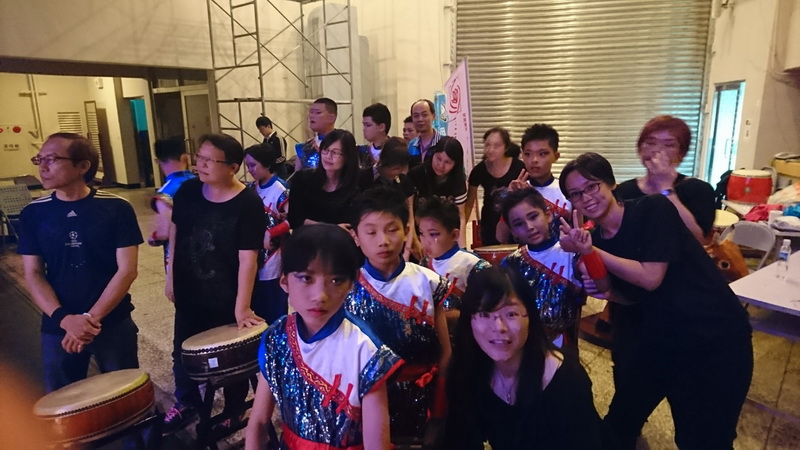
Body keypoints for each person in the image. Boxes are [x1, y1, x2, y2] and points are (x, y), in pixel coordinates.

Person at [559, 152, 753, 449]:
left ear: (611, 183)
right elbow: (629, 296)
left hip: (714, 338)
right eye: (575, 194)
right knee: (618, 426)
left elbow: (651, 277)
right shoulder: (595, 240)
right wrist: (603, 288)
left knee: (703, 439)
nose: (585, 197)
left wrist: (590, 253)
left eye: (591, 186)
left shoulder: (651, 209)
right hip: (660, 340)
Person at [244, 224, 402, 450]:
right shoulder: (276, 338)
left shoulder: (365, 350)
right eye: (306, 278)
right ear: (285, 281)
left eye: (336, 280)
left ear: (352, 283)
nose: (320, 295)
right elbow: (259, 422)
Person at [609, 116, 717, 430]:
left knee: (686, 390)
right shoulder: (624, 191)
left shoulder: (696, 190)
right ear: (640, 148)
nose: (658, 150)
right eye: (651, 142)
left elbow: (699, 237)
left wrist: (666, 189)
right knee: (628, 373)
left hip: (682, 303)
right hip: (632, 303)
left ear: (681, 154)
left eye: (669, 144)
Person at [18, 132, 143, 393]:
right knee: (64, 399)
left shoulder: (116, 208)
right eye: (40, 159)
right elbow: (33, 273)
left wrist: (89, 319)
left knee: (126, 395)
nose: (42, 167)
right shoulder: (33, 213)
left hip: (111, 320)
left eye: (52, 159)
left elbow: (127, 270)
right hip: (58, 324)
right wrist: (65, 320)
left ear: (83, 166)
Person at [163, 133, 267, 433]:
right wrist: (170, 276)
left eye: (210, 160)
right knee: (182, 353)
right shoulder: (188, 191)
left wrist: (242, 306)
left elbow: (248, 258)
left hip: (227, 294)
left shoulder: (248, 203)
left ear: (232, 167)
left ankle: (234, 412)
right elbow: (175, 233)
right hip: (189, 290)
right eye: (200, 157)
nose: (201, 164)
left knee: (230, 360)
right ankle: (186, 403)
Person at [443, 266, 602, 450]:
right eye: (484, 314)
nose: (499, 327)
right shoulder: (466, 371)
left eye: (511, 314)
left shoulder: (567, 379)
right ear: (469, 321)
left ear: (530, 318)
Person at [345, 187, 453, 444]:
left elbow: (445, 351)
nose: (383, 240)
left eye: (392, 229)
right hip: (366, 405)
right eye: (371, 232)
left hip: (424, 399)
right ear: (356, 236)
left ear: (406, 231)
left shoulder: (429, 282)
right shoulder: (345, 289)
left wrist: (439, 410)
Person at [498, 187, 596, 350]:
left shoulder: (570, 252)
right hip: (521, 346)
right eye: (519, 224)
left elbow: (600, 285)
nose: (529, 226)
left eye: (533, 216)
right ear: (513, 232)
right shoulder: (510, 263)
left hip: (562, 346)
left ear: (548, 215)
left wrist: (586, 252)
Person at [417, 195, 490, 333]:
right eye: (421, 234)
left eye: (433, 234)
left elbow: (489, 308)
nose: (426, 241)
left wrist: (456, 316)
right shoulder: (424, 263)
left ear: (454, 235)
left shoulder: (473, 264)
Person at [497, 123, 571, 244]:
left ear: (556, 156)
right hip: (527, 254)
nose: (534, 160)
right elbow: (501, 238)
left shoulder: (567, 189)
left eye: (542, 154)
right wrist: (509, 197)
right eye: (528, 154)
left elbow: (579, 229)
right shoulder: (518, 190)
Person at [244, 142, 290, 325]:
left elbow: (293, 220)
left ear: (267, 164)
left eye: (253, 165)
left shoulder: (280, 189)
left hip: (273, 255)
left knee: (274, 305)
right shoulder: (251, 188)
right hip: (253, 253)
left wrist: (271, 232)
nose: (250, 170)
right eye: (247, 166)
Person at [357, 137, 422, 261]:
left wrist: (409, 247)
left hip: (397, 237)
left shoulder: (403, 182)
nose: (396, 173)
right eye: (394, 168)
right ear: (383, 161)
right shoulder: (364, 179)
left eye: (400, 169)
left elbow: (409, 215)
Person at [288, 129, 360, 230]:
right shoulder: (302, 179)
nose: (328, 156)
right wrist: (332, 228)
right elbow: (294, 220)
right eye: (325, 150)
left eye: (335, 152)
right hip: (306, 238)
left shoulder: (355, 188)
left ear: (348, 157)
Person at [465, 127, 525, 246]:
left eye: (496, 146)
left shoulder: (519, 167)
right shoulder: (479, 170)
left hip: (515, 223)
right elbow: (469, 203)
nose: (491, 150)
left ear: (506, 147)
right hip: (489, 224)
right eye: (487, 145)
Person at [408, 136, 468, 248]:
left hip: (445, 239)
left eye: (447, 162)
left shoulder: (458, 181)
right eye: (438, 158)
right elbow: (409, 210)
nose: (441, 165)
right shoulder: (416, 175)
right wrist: (414, 241)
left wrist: (462, 248)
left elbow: (461, 217)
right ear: (433, 154)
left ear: (456, 164)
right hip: (419, 236)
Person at [149, 137, 196, 270]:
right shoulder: (201, 182)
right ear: (185, 157)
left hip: (180, 253)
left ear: (158, 161)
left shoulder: (166, 191)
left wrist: (154, 237)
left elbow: (165, 231)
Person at [294, 97, 337, 171]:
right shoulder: (304, 148)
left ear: (331, 118)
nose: (311, 116)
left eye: (318, 113)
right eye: (311, 112)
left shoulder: (344, 145)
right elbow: (297, 175)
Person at [407, 99, 442, 166]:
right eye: (416, 116)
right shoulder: (412, 145)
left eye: (424, 115)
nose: (420, 119)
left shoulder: (443, 143)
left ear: (434, 116)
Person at [359, 102, 392, 169]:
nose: (364, 129)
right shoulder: (362, 151)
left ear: (381, 127)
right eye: (364, 125)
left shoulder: (394, 150)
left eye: (368, 125)